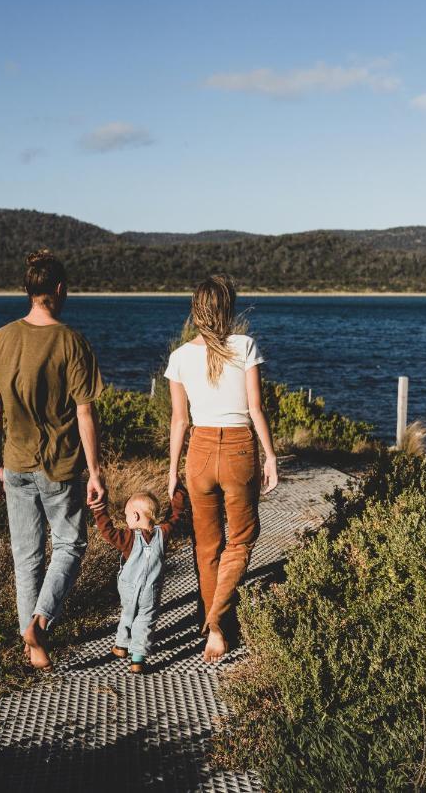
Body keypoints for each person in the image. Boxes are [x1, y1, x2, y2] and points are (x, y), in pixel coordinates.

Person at [0, 249, 105, 670]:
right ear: (58, 289)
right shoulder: (71, 341)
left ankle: (30, 643)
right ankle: (39, 622)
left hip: (14, 464)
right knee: (71, 544)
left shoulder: (0, 338)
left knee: (27, 556)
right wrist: (97, 471)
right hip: (60, 466)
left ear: (29, 290)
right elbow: (85, 412)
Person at [164, 275, 278, 663]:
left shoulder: (179, 357)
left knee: (207, 544)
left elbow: (179, 420)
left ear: (196, 311)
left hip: (198, 452)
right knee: (242, 539)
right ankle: (216, 623)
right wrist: (271, 456)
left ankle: (216, 623)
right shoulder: (244, 346)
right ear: (227, 309)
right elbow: (256, 409)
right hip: (238, 450)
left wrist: (171, 470)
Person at [90, 487, 187, 673]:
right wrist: (178, 493)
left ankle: (120, 646)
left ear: (134, 517)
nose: (126, 520)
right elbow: (175, 516)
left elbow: (107, 531)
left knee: (128, 613)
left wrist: (99, 509)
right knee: (145, 621)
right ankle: (137, 659)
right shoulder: (163, 533)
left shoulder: (128, 538)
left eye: (127, 516)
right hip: (151, 591)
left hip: (128, 588)